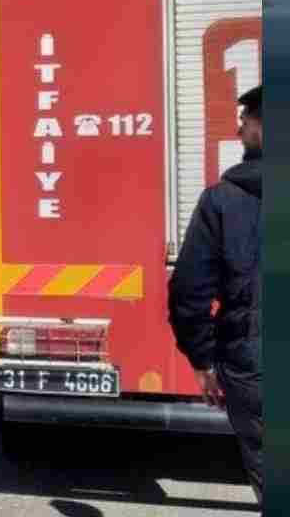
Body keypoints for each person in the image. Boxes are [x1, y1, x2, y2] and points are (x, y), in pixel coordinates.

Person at [168, 84, 262, 507]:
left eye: (247, 118)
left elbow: (190, 292)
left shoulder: (223, 200)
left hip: (254, 362)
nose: (240, 125)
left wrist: (202, 359)